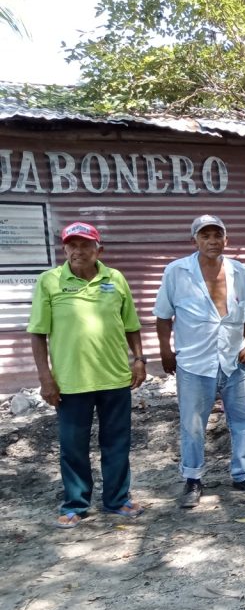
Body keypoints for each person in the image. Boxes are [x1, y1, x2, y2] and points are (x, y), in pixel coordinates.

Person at [28, 222, 147, 528]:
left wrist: (139, 359)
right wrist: (45, 378)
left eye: (85, 245)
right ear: (64, 249)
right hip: (71, 382)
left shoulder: (115, 279)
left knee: (117, 443)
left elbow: (131, 325)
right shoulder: (49, 281)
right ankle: (75, 504)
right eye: (72, 245)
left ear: (99, 250)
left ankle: (117, 499)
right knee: (73, 446)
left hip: (115, 378)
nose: (78, 251)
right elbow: (38, 333)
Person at [155, 214, 245, 509]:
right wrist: (166, 351)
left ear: (226, 239)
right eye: (205, 236)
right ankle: (193, 479)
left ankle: (243, 474)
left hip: (233, 360)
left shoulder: (238, 271)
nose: (212, 241)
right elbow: (163, 316)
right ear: (194, 240)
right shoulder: (177, 271)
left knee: (243, 420)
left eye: (217, 235)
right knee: (193, 424)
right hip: (194, 362)